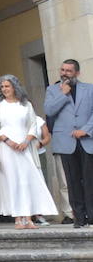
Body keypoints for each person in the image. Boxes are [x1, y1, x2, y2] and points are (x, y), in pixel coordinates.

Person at [0, 75, 58, 229]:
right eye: (2, 87)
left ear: (15, 87)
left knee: (27, 179)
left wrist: (26, 141)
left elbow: (33, 125)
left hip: (25, 146)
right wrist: (8, 141)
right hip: (6, 146)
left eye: (7, 86)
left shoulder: (26, 104)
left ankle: (28, 217)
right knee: (12, 180)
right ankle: (18, 218)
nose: (4, 89)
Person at [44, 59, 93, 228]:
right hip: (65, 141)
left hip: (87, 140)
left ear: (77, 73)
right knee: (72, 181)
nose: (64, 73)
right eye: (62, 70)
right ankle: (79, 218)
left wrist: (86, 130)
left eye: (69, 71)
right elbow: (49, 110)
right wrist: (62, 94)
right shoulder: (52, 90)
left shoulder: (89, 89)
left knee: (89, 179)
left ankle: (92, 216)